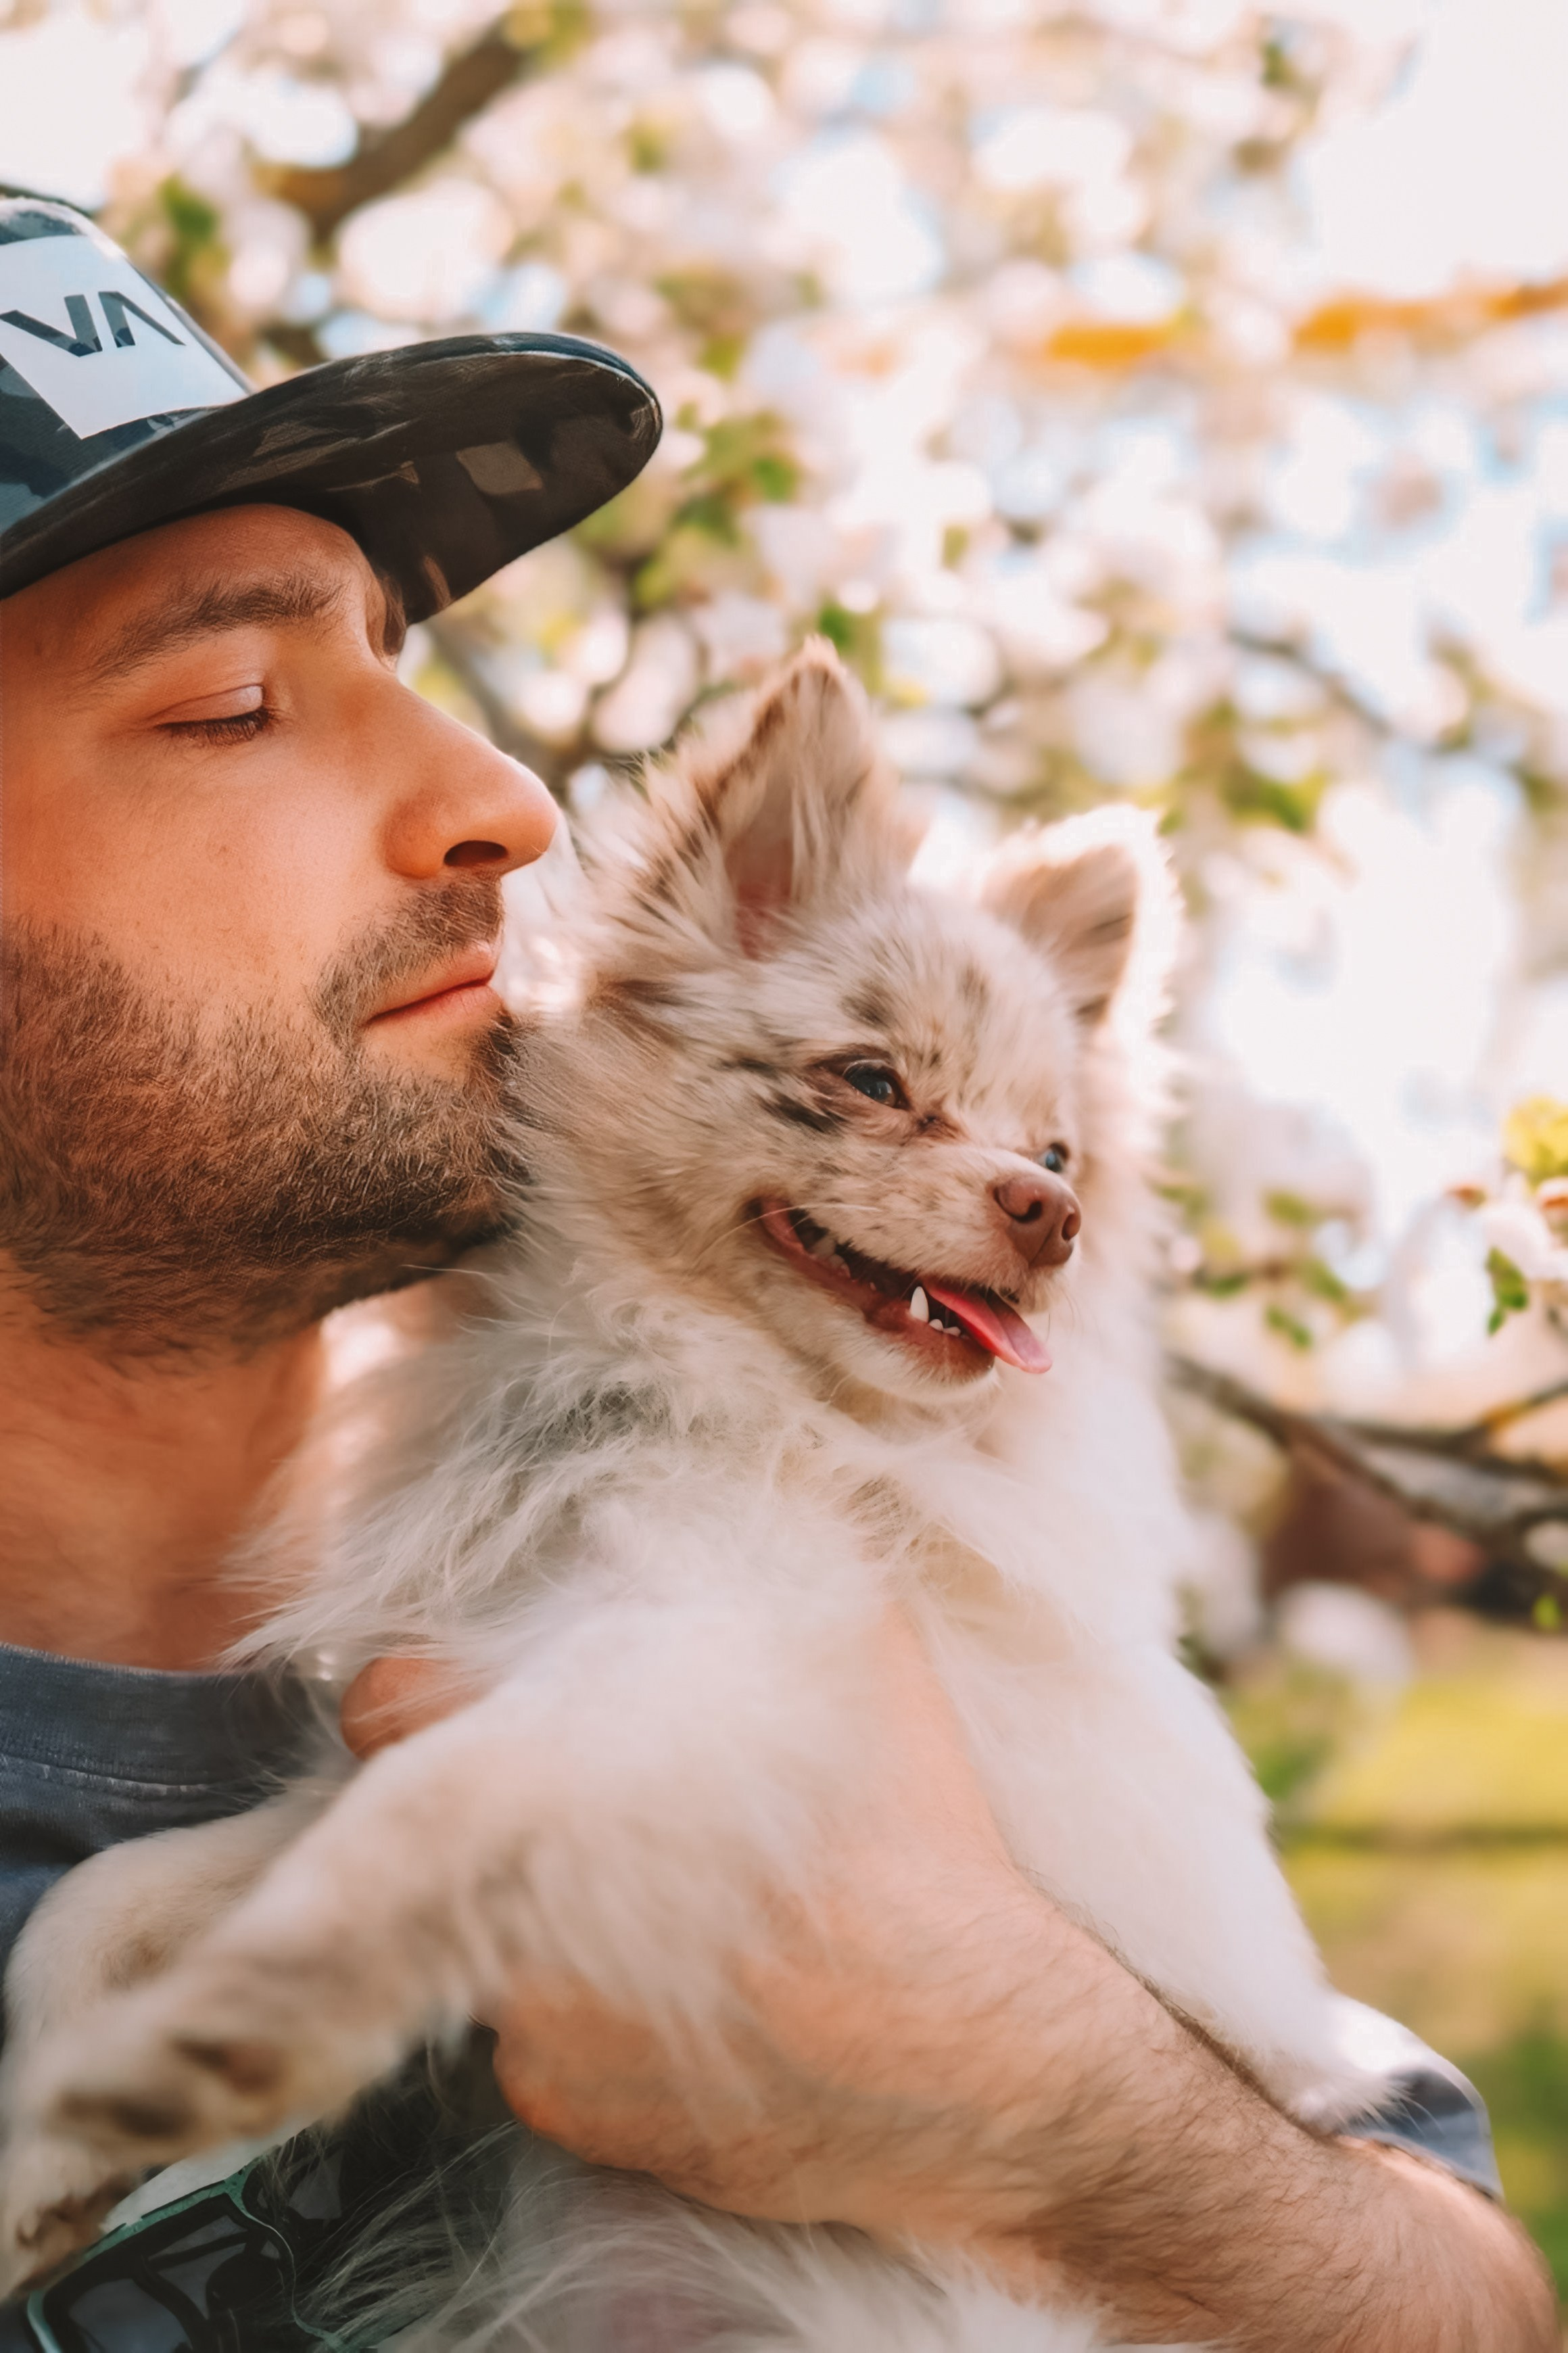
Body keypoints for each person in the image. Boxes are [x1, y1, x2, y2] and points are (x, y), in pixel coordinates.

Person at [0, 194, 1553, 2352]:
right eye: (236, 704)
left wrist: (1044, 2103)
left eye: (409, 665)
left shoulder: (802, 1546)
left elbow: (1469, 2300)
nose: (509, 800)